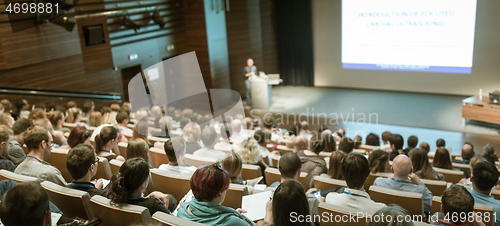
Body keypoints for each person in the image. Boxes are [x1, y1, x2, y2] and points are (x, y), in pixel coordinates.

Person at [177, 164, 255, 226]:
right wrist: (268, 211)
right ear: (220, 192)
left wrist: (232, 215)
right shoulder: (232, 222)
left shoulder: (182, 209)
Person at [107, 157, 177, 214]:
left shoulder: (111, 197)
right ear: (143, 183)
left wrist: (150, 195)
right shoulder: (153, 205)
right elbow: (173, 222)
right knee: (171, 200)